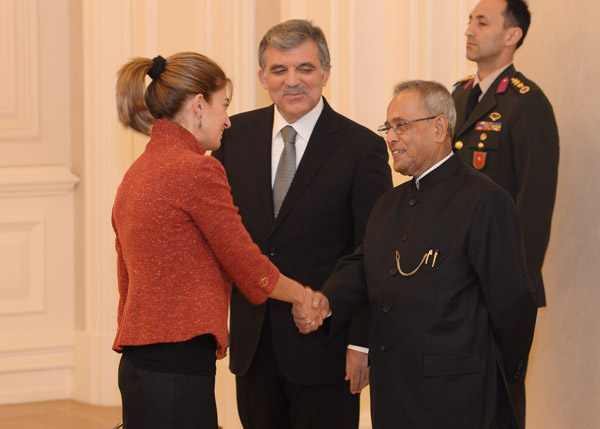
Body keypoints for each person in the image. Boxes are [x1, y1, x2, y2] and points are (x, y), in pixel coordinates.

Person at [295, 80, 538, 428]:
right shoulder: (388, 204)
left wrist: (494, 371)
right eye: (388, 128)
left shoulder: (485, 200)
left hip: (457, 396)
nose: (391, 137)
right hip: (393, 393)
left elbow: (513, 301)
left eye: (402, 126)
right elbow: (364, 268)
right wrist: (325, 302)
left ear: (439, 128)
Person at [112, 52, 324, 429]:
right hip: (179, 367)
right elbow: (244, 261)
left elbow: (125, 277)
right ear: (198, 106)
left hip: (137, 365)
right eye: (223, 105)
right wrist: (302, 295)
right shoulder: (198, 169)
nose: (227, 119)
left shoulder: (136, 171)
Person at [212, 19, 392, 429]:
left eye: (305, 69)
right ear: (262, 77)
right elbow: (219, 238)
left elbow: (370, 253)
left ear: (325, 73)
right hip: (253, 346)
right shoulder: (232, 137)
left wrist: (361, 341)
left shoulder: (361, 147)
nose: (292, 81)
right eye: (279, 70)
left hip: (325, 352)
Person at [452, 1, 559, 424]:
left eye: (482, 21)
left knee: (502, 398)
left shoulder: (526, 103)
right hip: (455, 275)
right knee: (458, 392)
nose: (469, 29)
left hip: (501, 281)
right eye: (469, 20)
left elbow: (534, 205)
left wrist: (518, 289)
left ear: (513, 35)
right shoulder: (457, 95)